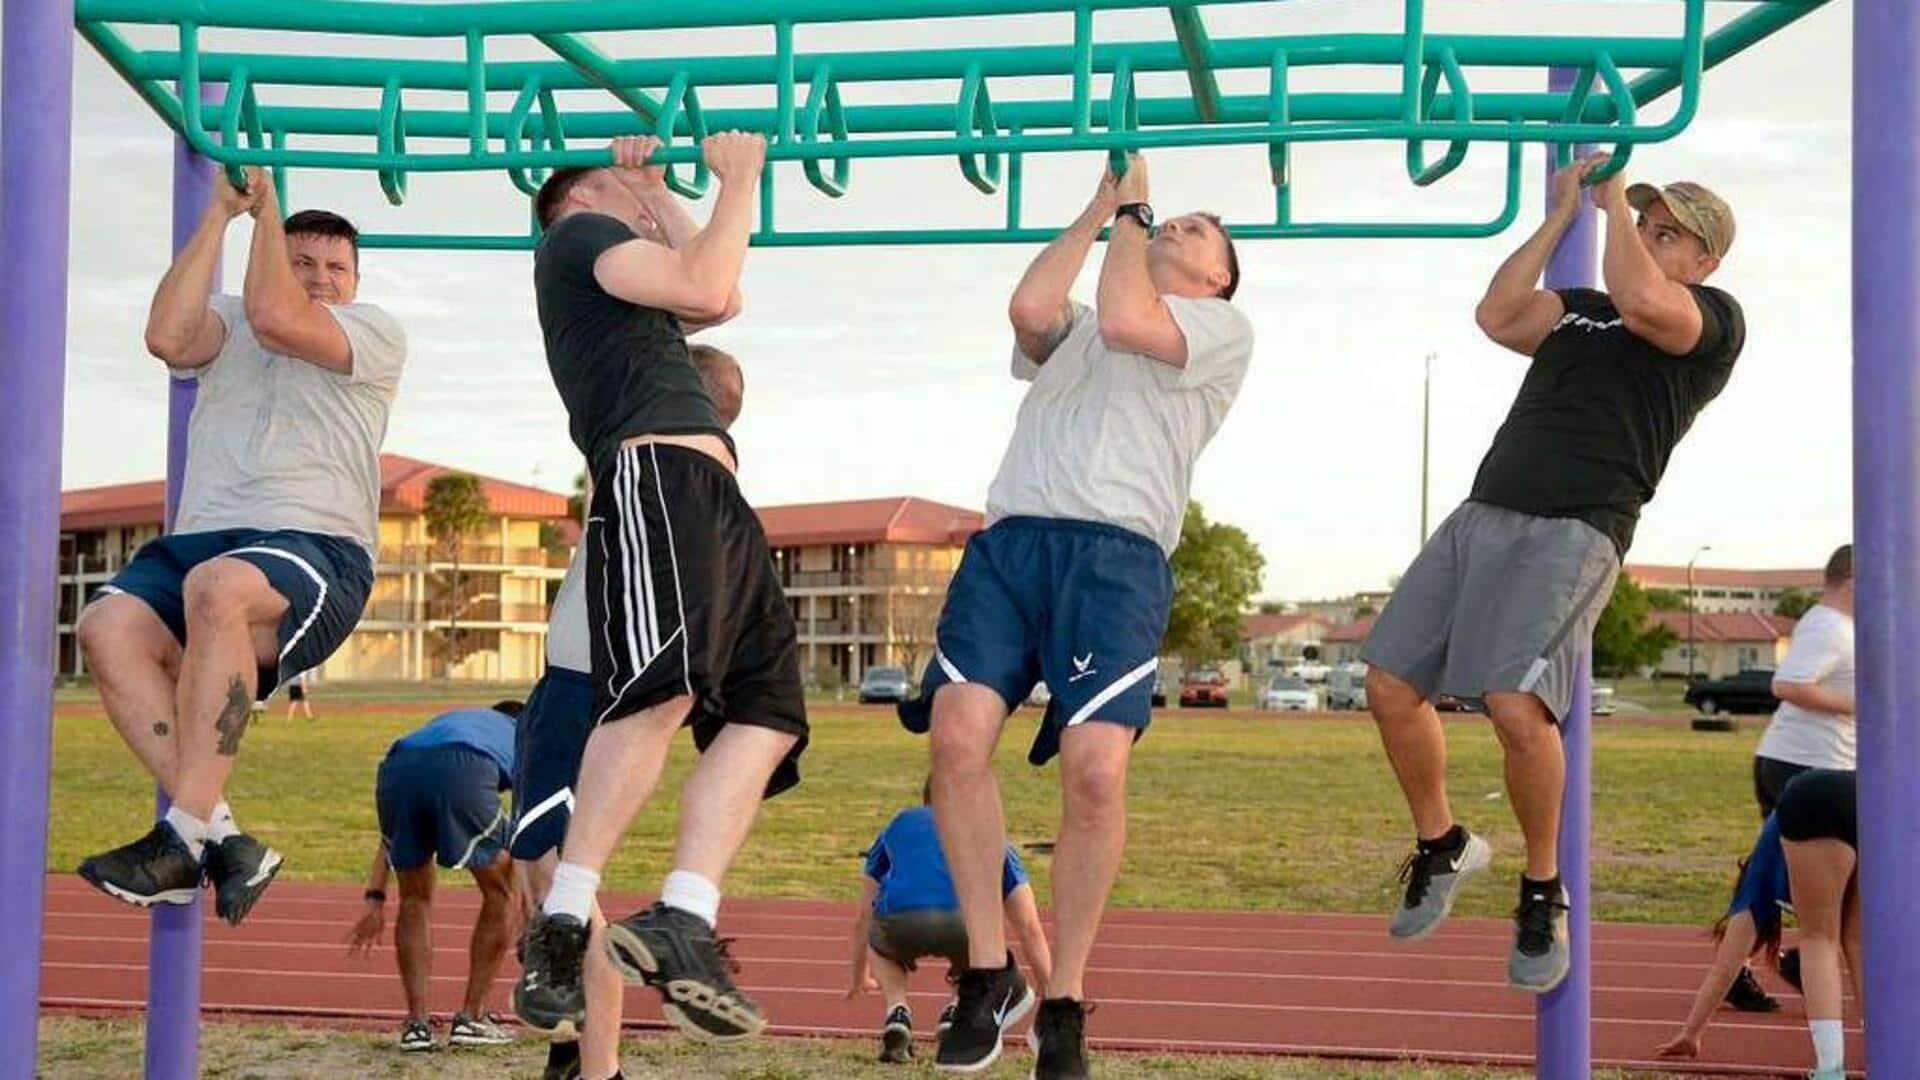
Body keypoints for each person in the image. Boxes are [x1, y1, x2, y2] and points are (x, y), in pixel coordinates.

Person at [897, 153, 1250, 1078]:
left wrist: (1135, 209)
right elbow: (1027, 308)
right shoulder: (1087, 321)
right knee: (956, 738)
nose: (1179, 226)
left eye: (1198, 230)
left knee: (1095, 776)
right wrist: (1103, 203)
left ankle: (1065, 998)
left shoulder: (1217, 327)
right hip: (1014, 543)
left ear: (1217, 274)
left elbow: (1136, 314)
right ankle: (986, 970)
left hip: (1115, 559)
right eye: (1174, 219)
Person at [1362, 157, 1743, 993]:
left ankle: (1543, 888)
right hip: (1487, 508)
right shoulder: (1582, 313)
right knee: (1389, 682)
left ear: (1706, 262)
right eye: (1647, 223)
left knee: (1513, 699)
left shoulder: (1708, 319)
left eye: (1669, 232)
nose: (1648, 232)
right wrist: (1561, 213)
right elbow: (1497, 314)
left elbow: (1646, 300)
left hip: (1578, 529)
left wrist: (1608, 212)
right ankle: (1443, 843)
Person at [513, 132, 810, 1053]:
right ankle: (564, 921)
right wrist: (740, 180)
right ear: (579, 204)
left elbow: (716, 291)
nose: (644, 213)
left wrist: (656, 187)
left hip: (713, 491)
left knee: (768, 715)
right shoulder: (569, 242)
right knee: (662, 687)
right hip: (655, 475)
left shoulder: (627, 295)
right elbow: (710, 285)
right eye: (625, 200)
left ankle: (684, 912)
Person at [75, 166, 407, 925]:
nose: (320, 279)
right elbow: (164, 335)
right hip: (201, 537)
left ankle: (181, 835)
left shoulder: (371, 331)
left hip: (313, 541)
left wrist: (270, 211)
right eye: (302, 262)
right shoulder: (228, 320)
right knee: (106, 628)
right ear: (272, 259)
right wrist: (224, 214)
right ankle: (222, 837)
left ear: (355, 283)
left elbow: (279, 318)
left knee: (220, 589)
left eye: (335, 269)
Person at [513, 344, 745, 1080]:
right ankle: (577, 1047)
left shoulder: (655, 464)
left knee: (561, 888)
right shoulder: (663, 469)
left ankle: (599, 1064)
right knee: (545, 875)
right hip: (571, 687)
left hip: (586, 688)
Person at [347, 702, 524, 1051]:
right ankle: (471, 1018)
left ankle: (416, 1025)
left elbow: (388, 842)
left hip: (397, 767)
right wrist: (531, 917)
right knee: (502, 890)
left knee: (413, 897)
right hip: (463, 767)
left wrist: (375, 898)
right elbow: (529, 834)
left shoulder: (452, 722)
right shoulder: (524, 736)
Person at [1724, 542, 1854, 1012]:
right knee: (1781, 875)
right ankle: (1753, 964)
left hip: (1817, 765)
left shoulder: (1841, 627)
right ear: (1853, 578)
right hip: (1801, 766)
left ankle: (1779, 958)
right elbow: (1788, 685)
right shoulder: (1829, 627)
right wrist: (1867, 708)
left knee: (1785, 876)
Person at [849, 783, 1053, 1064]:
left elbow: (863, 916)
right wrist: (1049, 987)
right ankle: (957, 1009)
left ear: (925, 800)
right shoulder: (992, 834)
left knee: (880, 941)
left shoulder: (897, 825)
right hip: (964, 927)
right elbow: (1029, 925)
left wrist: (859, 976)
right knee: (984, 942)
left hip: (900, 924)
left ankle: (897, 1009)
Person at [1654, 813, 1793, 1059]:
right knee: (1833, 940)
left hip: (1803, 803)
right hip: (1823, 796)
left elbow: (1725, 968)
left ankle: (1831, 1066)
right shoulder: (1764, 877)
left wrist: (1691, 1032)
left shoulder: (1763, 874)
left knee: (1823, 942)